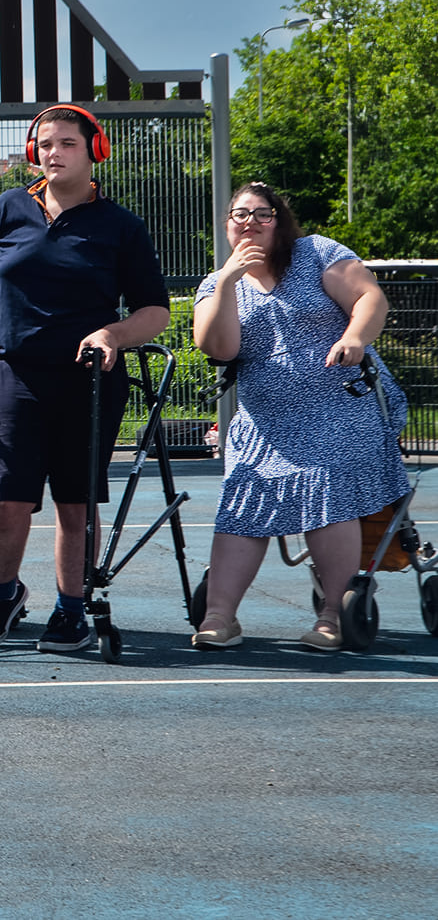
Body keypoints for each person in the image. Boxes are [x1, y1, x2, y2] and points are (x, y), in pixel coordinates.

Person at [0, 105, 170, 653]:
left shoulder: (121, 226)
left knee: (75, 503)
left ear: (94, 151)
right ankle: (2, 595)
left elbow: (155, 311)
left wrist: (112, 334)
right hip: (14, 374)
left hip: (90, 380)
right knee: (7, 498)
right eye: (44, 143)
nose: (52, 152)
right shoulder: (9, 208)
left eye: (66, 143)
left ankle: (71, 608)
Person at [190, 182, 410, 652]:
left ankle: (332, 614)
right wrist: (229, 281)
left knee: (323, 480)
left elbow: (370, 299)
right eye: (239, 215)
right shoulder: (215, 283)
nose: (249, 222)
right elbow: (218, 348)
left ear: (280, 220)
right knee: (242, 494)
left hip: (343, 402)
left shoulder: (316, 254)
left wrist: (355, 337)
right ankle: (219, 616)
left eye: (262, 214)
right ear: (227, 225)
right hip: (265, 419)